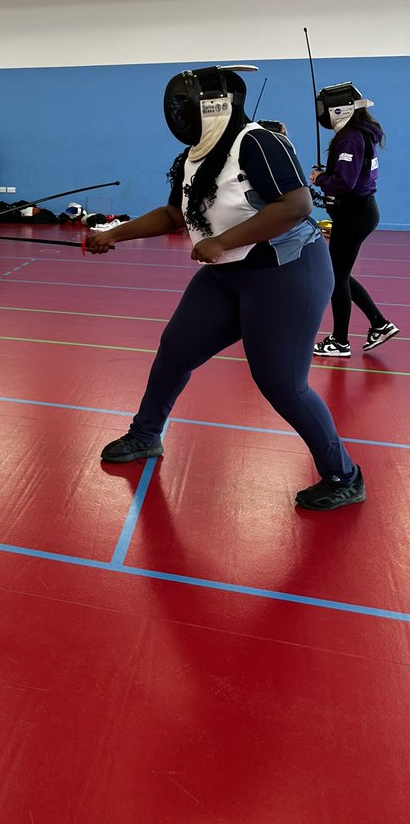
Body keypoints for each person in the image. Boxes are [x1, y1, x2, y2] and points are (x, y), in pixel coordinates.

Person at [86, 65, 365, 511]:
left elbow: (296, 204)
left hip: (287, 272)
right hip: (228, 275)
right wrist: (113, 234)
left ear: (214, 105)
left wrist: (222, 241)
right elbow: (175, 214)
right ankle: (145, 435)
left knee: (280, 382)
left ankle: (344, 475)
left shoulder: (256, 142)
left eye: (184, 106)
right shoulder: (197, 155)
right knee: (176, 349)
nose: (177, 114)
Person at [310, 83, 397, 358]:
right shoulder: (358, 134)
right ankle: (379, 324)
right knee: (340, 274)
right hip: (360, 212)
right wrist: (329, 176)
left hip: (355, 214)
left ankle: (340, 341)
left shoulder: (350, 138)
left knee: (336, 277)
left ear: (340, 108)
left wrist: (320, 178)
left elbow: (344, 183)